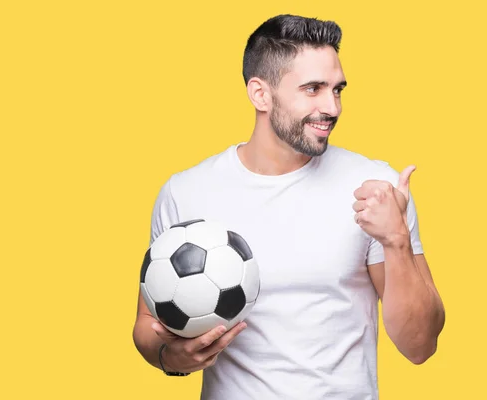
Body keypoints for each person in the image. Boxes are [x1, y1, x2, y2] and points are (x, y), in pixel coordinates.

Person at [132, 14, 445, 400]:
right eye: (313, 89)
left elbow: (420, 345)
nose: (332, 107)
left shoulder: (375, 189)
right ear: (260, 94)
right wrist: (172, 356)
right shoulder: (186, 192)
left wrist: (396, 240)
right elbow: (147, 327)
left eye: (338, 89)